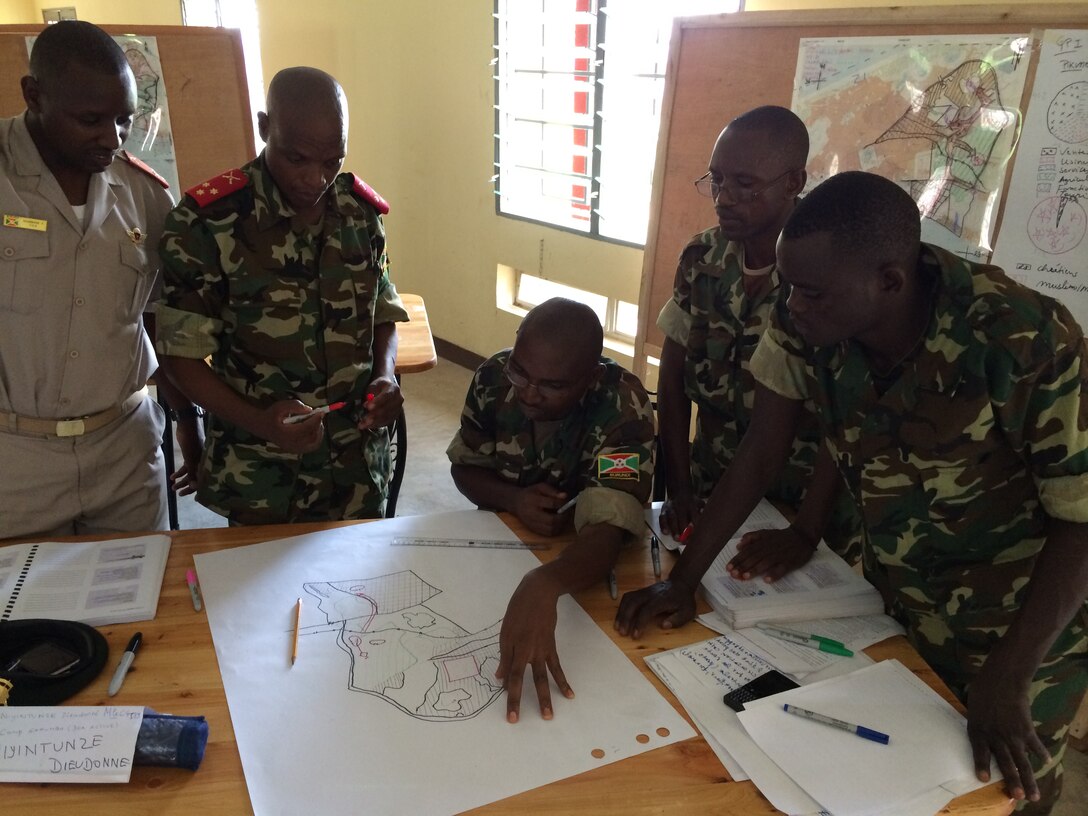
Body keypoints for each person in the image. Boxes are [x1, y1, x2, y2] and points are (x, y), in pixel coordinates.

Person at [616, 171, 1088, 814]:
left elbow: (1081, 518)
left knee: (1012, 788)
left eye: (810, 293)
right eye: (788, 289)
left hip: (1020, 622)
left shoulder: (1022, 337)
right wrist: (683, 578)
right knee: (907, 779)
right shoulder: (806, 311)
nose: (791, 307)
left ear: (890, 281)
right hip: (896, 594)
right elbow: (761, 451)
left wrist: (1010, 673)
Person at [155, 67, 408, 524]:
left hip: (356, 468)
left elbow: (382, 312)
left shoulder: (360, 214)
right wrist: (259, 422)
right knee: (262, 594)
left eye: (333, 161)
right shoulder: (206, 225)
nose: (316, 179)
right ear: (265, 128)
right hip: (264, 476)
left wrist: (385, 374)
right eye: (298, 159)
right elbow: (180, 358)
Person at [0, 20, 192, 539]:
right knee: (26, 616)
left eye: (124, 120)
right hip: (15, 464)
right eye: (90, 119)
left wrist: (189, 426)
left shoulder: (146, 195)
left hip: (123, 454)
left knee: (139, 607)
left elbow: (158, 319)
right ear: (34, 95)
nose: (112, 137)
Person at [656, 106, 860, 573]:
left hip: (801, 506)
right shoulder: (702, 257)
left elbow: (845, 418)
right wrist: (679, 484)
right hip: (712, 486)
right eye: (717, 180)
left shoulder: (828, 278)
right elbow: (672, 380)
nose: (724, 198)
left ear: (793, 182)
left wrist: (806, 529)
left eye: (745, 185)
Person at [447, 298, 654, 723]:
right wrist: (513, 499)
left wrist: (545, 583)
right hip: (498, 554)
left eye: (552, 385)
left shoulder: (623, 405)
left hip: (581, 566)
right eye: (521, 372)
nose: (528, 392)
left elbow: (607, 531)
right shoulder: (493, 376)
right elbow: (464, 469)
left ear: (590, 378)